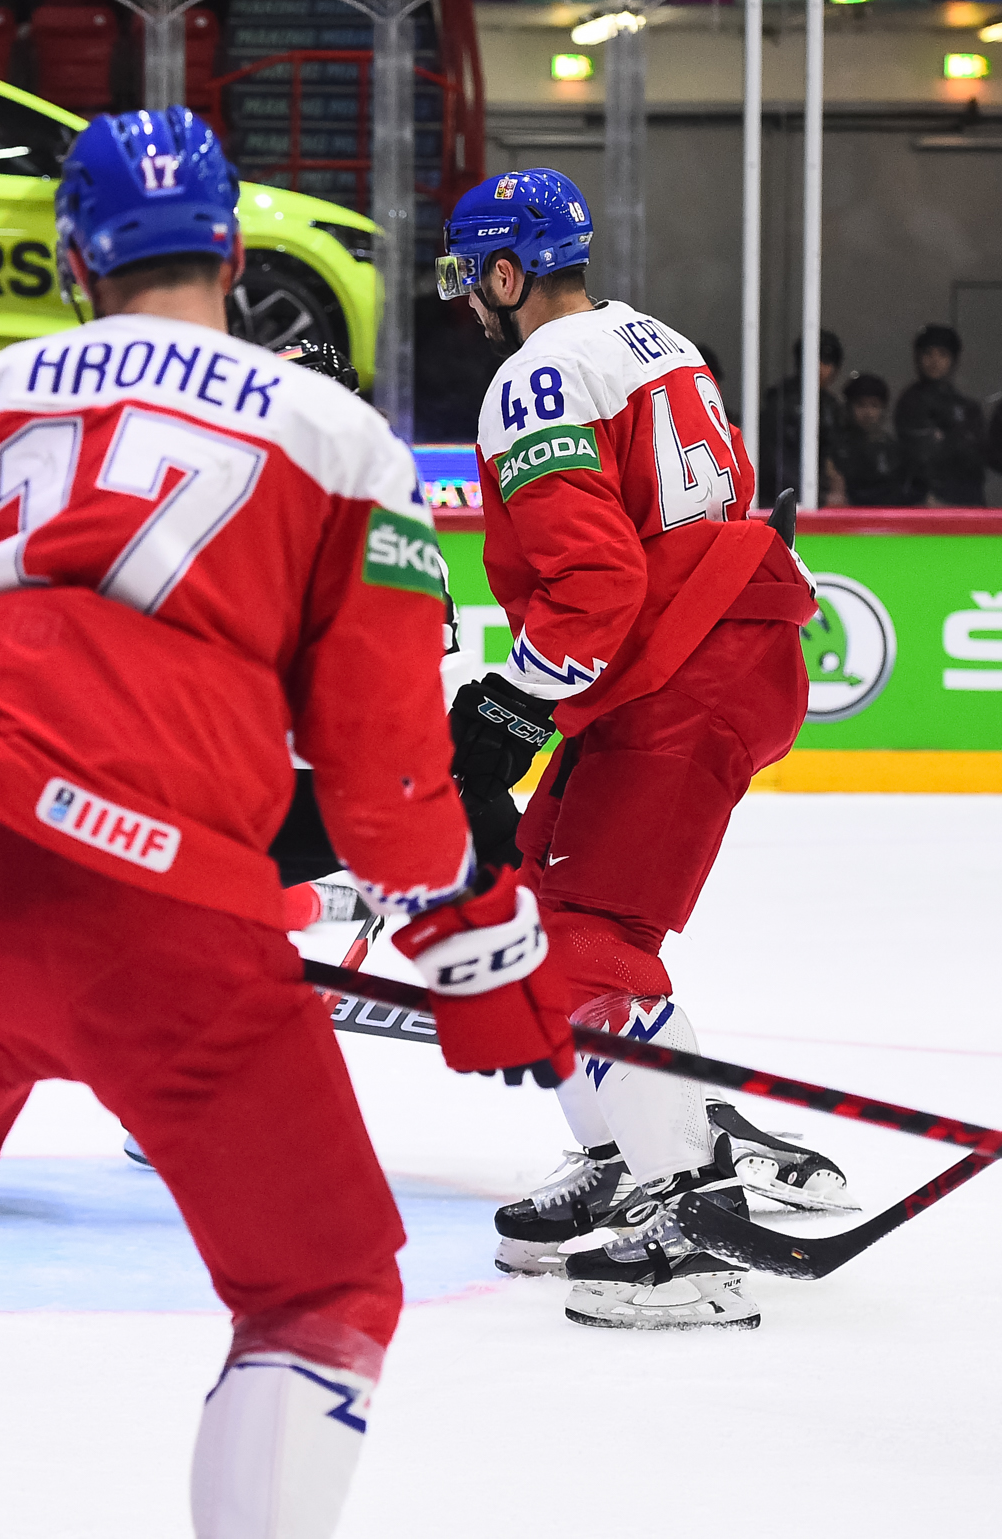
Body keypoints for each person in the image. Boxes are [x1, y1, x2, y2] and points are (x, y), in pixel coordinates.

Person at [0, 106, 576, 1539]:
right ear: (229, 239)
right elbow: (383, 767)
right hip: (169, 918)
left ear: (73, 253)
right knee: (319, 1286)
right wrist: (475, 945)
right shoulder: (337, 436)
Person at [437, 168, 848, 1330]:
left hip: (681, 676)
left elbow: (597, 577)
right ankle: (630, 1153)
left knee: (583, 944)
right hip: (682, 662)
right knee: (521, 912)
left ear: (507, 272)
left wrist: (510, 707)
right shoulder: (656, 339)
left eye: (476, 275)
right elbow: (716, 499)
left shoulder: (533, 377)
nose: (470, 299)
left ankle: (694, 1219)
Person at [895, 323, 988, 506]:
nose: (934, 361)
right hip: (929, 499)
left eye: (942, 354)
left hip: (968, 497)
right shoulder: (911, 401)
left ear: (953, 360)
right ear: (918, 358)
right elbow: (923, 456)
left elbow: (978, 455)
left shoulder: (967, 406)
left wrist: (949, 439)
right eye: (928, 354)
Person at [759, 329, 846, 502]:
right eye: (815, 359)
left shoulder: (831, 405)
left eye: (828, 361)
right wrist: (815, 496)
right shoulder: (782, 403)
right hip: (786, 499)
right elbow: (777, 461)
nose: (821, 367)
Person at [835, 374, 919, 507]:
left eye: (874, 406)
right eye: (861, 405)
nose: (868, 413)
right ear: (849, 407)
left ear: (884, 409)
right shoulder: (837, 448)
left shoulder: (894, 449)